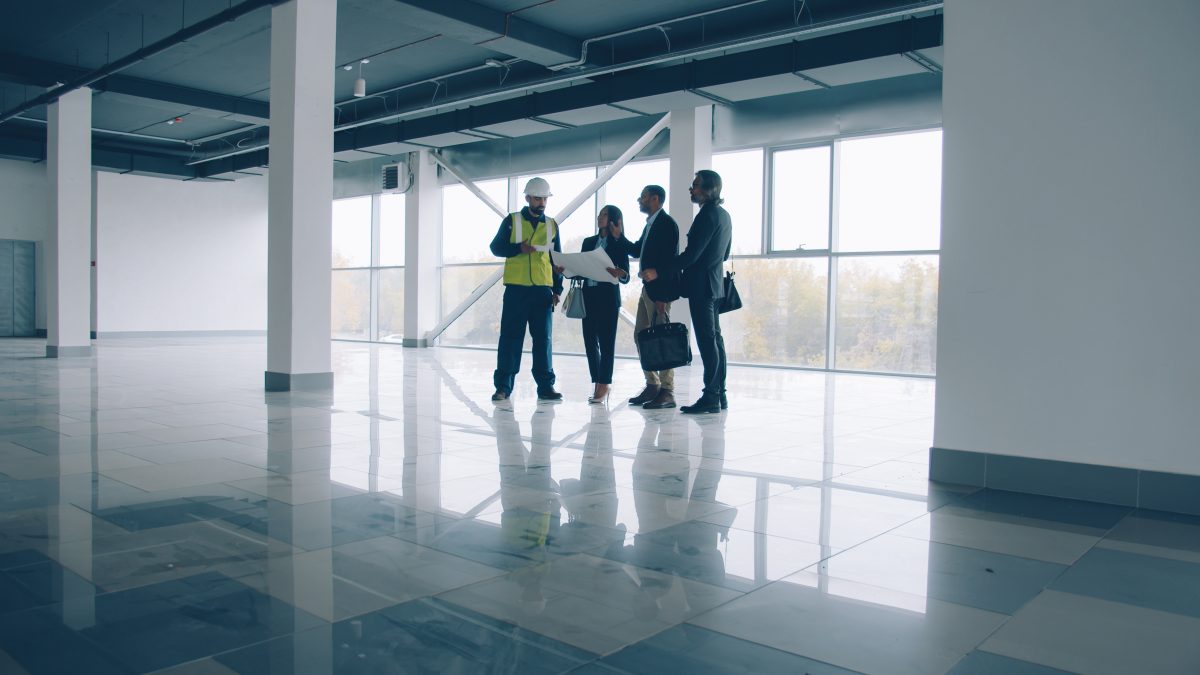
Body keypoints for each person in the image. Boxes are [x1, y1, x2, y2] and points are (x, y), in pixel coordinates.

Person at [641, 170, 731, 414]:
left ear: (708, 189)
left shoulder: (706, 216)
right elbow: (724, 255)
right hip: (714, 285)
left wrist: (659, 271)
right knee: (715, 340)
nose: (691, 189)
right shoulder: (724, 216)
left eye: (696, 186)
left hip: (701, 287)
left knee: (707, 341)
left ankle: (711, 396)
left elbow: (691, 256)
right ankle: (719, 394)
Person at [489, 177, 564, 403]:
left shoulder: (552, 225)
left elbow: (555, 258)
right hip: (516, 290)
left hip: (542, 290)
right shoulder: (512, 221)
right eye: (538, 198)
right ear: (528, 198)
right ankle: (503, 386)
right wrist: (518, 248)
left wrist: (557, 288)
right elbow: (495, 247)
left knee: (543, 339)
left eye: (544, 199)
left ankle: (545, 387)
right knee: (510, 339)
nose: (542, 203)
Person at [620, 185, 681, 410]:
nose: (639, 200)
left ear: (655, 199)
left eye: (643, 197)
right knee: (641, 336)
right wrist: (620, 237)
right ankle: (652, 384)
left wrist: (662, 294)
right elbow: (637, 251)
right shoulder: (651, 225)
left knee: (661, 338)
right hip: (648, 289)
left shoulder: (666, 224)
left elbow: (670, 261)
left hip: (660, 291)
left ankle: (667, 390)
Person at [578, 205, 631, 404]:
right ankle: (598, 381)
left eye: (604, 214)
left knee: (607, 344)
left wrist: (621, 273)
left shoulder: (618, 243)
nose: (599, 217)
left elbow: (626, 274)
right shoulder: (588, 242)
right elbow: (581, 268)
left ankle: (605, 383)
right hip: (588, 296)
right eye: (599, 214)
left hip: (608, 299)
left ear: (613, 219)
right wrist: (565, 269)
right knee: (590, 343)